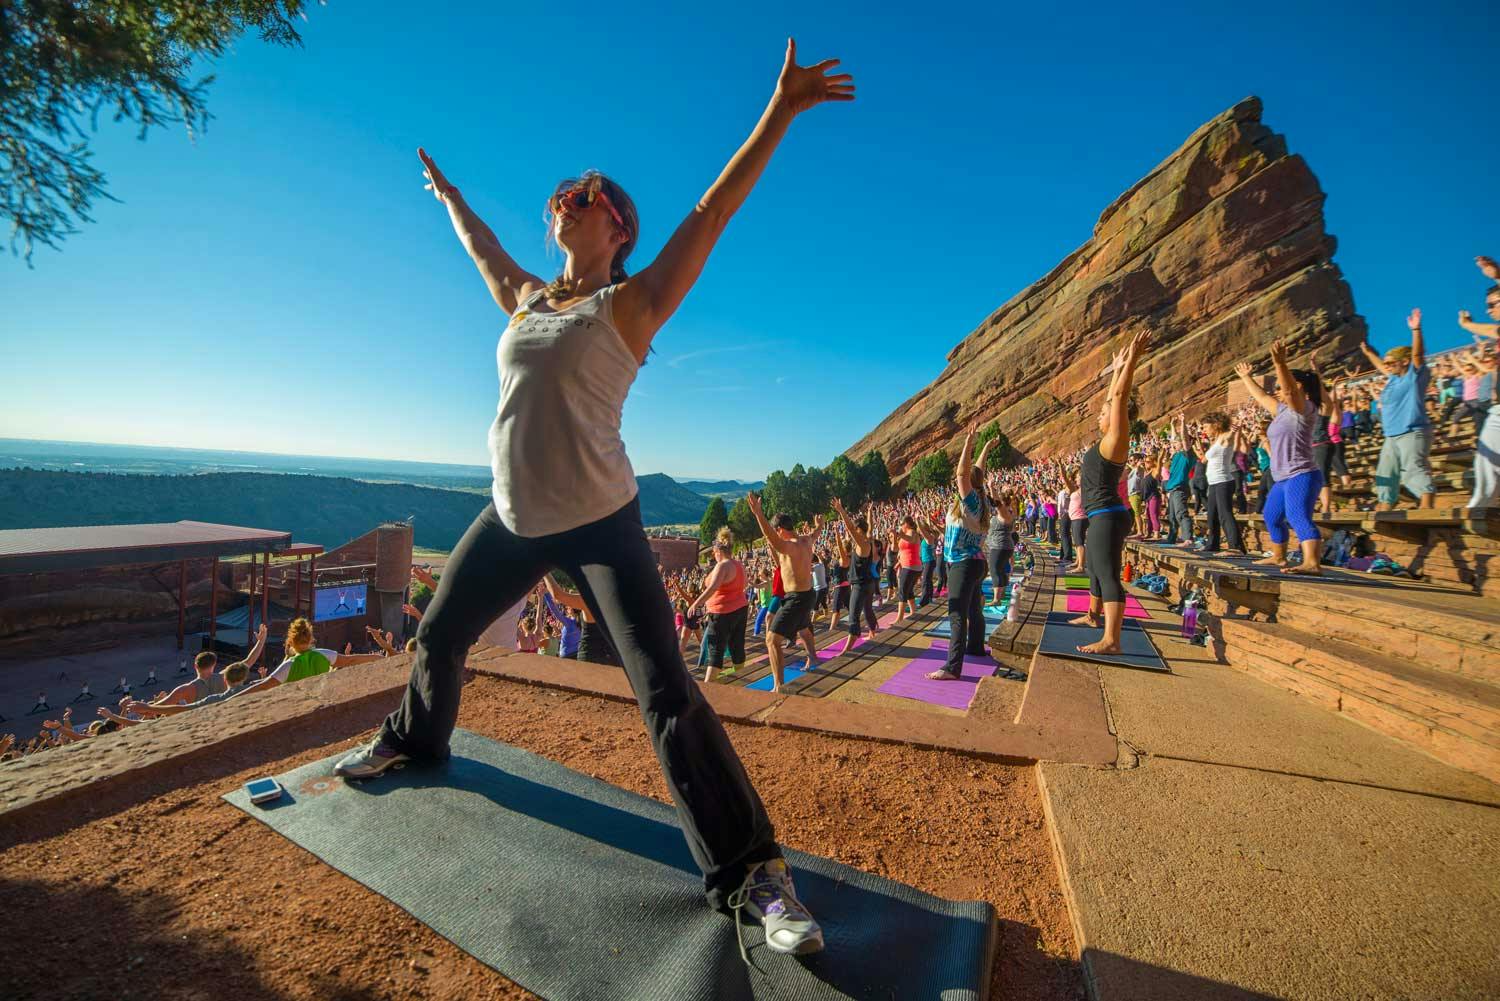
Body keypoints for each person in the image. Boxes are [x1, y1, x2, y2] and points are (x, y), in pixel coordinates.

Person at [333, 42, 853, 955]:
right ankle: (415, 741)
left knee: (664, 692)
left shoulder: (634, 304)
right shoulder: (530, 301)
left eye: (587, 193)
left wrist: (781, 111)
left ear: (618, 228)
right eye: (564, 192)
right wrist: (453, 200)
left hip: (602, 522)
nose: (567, 197)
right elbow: (486, 252)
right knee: (439, 634)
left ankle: (757, 875)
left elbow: (714, 207)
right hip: (510, 516)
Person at [1234, 340, 1325, 575]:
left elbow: (1289, 391)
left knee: (1297, 516)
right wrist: (1246, 378)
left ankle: (1312, 563)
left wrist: (1280, 363)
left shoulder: (1304, 408)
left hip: (1302, 474)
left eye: (1283, 385)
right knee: (1271, 516)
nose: (1277, 390)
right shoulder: (1283, 410)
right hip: (1283, 477)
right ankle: (1279, 557)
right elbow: (1263, 397)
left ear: (1300, 386)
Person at [926, 424, 993, 679]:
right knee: (974, 609)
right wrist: (985, 447)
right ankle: (975, 648)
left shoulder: (973, 501)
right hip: (974, 563)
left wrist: (969, 442)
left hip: (964, 564)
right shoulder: (980, 499)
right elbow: (976, 471)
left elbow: (962, 475)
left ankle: (952, 667)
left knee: (956, 614)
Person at [1358, 309, 1435, 511]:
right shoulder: (1393, 379)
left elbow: (1418, 355)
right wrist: (1369, 354)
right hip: (1391, 435)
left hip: (1412, 431)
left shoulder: (1414, 377)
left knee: (1413, 469)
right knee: (1386, 472)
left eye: (1392, 362)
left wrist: (1416, 329)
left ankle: (1427, 506)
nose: (1387, 366)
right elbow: (1381, 368)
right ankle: (1385, 505)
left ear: (1404, 362)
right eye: (1386, 363)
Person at [745, 496, 822, 692]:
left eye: (777, 531)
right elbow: (815, 533)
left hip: (796, 598)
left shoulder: (789, 547)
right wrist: (819, 525)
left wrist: (758, 514)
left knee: (772, 640)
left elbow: (770, 536)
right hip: (806, 595)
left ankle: (779, 686)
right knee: (803, 628)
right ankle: (813, 657)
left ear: (780, 529)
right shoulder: (806, 541)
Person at [687, 530, 749, 682]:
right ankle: (743, 677)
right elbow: (745, 584)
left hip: (722, 613)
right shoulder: (738, 564)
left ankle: (708, 687)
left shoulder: (722, 566)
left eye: (713, 552)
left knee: (715, 650)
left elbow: (713, 588)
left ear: (717, 551)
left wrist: (696, 603)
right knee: (737, 646)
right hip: (740, 608)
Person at [830, 497, 881, 656]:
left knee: (853, 616)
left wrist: (841, 510)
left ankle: (849, 646)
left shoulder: (862, 542)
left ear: (860, 530)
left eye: (856, 531)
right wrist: (869, 512)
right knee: (867, 609)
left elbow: (851, 529)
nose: (852, 534)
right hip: (868, 583)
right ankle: (873, 630)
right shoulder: (869, 540)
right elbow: (869, 526)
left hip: (860, 585)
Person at [1199, 413, 1246, 554]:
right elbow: (1203, 460)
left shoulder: (1225, 436)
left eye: (1206, 427)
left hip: (1223, 481)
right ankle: (1212, 544)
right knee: (1212, 515)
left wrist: (1237, 424)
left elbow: (1233, 432)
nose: (1204, 430)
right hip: (1213, 483)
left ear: (1216, 425)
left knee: (1225, 514)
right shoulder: (1216, 440)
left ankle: (1236, 547)